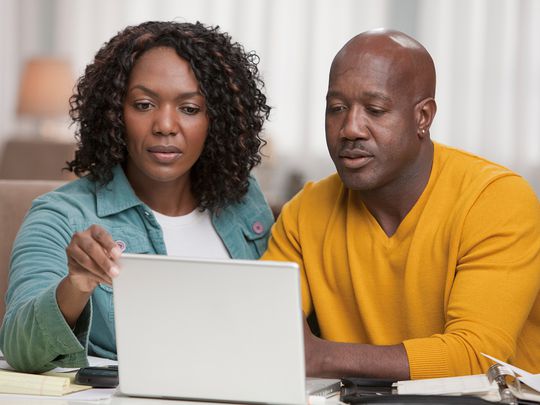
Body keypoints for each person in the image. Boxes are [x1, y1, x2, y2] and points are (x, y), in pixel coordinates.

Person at [262, 28, 540, 380]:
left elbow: (477, 357)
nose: (350, 129)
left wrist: (321, 357)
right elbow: (266, 327)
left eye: (375, 110)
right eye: (337, 108)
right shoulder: (306, 211)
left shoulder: (495, 200)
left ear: (423, 117)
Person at [0, 21, 274, 373]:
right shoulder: (61, 216)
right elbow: (20, 348)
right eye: (144, 105)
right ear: (115, 113)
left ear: (215, 120)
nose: (164, 125)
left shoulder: (244, 199)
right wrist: (77, 286)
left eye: (189, 109)